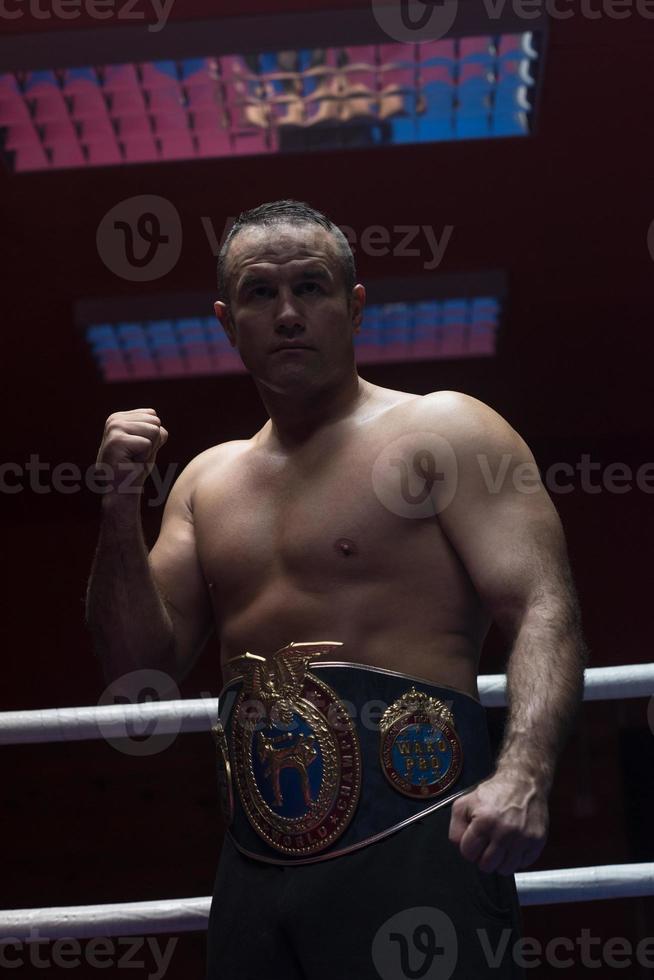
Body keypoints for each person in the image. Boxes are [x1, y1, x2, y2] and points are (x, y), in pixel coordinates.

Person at [86, 199, 588, 979]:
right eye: (260, 294)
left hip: (421, 840)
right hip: (254, 867)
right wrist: (118, 508)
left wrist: (523, 774)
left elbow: (543, 607)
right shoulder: (204, 483)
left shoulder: (445, 431)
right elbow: (134, 663)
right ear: (227, 320)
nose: (288, 313)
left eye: (312, 288)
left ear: (353, 307)